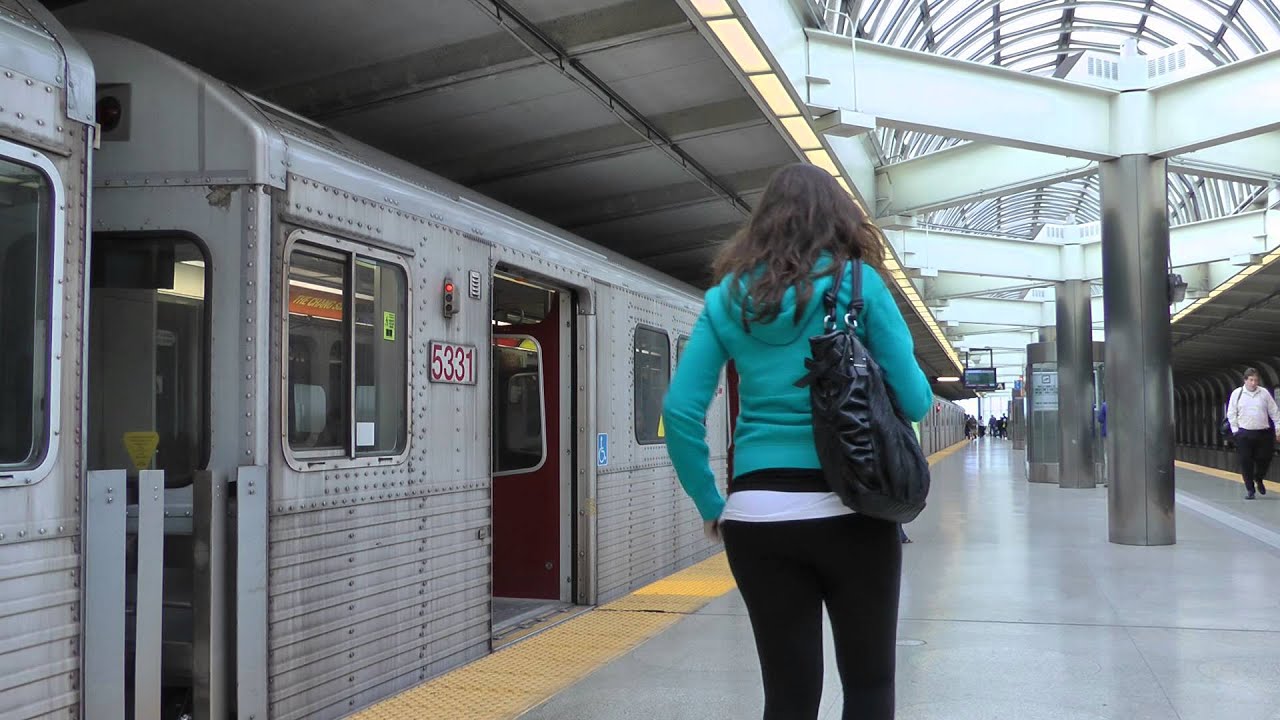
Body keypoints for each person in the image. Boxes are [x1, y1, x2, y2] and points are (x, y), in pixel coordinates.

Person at [663, 163, 933, 720]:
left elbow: (680, 411)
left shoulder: (725, 301)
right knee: (868, 684)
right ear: (840, 221)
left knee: (788, 695)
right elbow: (916, 401)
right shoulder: (861, 286)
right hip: (853, 508)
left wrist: (713, 504)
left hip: (757, 517)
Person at [1225, 367, 1280, 500]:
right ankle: (1250, 489)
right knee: (1246, 461)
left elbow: (1274, 411)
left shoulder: (1264, 393)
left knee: (1265, 458)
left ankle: (1259, 477)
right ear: (1245, 380)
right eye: (1251, 380)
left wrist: (1278, 429)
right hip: (1244, 433)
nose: (1254, 383)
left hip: (1263, 433)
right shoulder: (1237, 394)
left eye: (1256, 380)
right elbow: (1231, 413)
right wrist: (1235, 431)